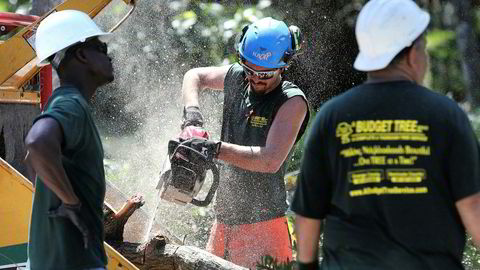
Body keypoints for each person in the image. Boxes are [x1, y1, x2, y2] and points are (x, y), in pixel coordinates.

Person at [291, 0, 480, 269]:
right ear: (414, 54)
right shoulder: (446, 116)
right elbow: (473, 206)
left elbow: (308, 212)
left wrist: (307, 266)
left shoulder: (332, 117)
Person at [178, 17, 310, 269]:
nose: (255, 79)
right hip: (223, 223)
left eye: (264, 74)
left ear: (283, 65)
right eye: (250, 70)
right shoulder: (238, 78)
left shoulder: (291, 102)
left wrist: (214, 149)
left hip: (264, 228)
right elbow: (194, 76)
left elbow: (269, 160)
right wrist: (192, 116)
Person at [24, 10, 114, 270]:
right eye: (101, 47)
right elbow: (37, 144)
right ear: (83, 55)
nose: (109, 56)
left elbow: (33, 159)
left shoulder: (65, 102)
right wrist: (71, 202)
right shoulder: (71, 103)